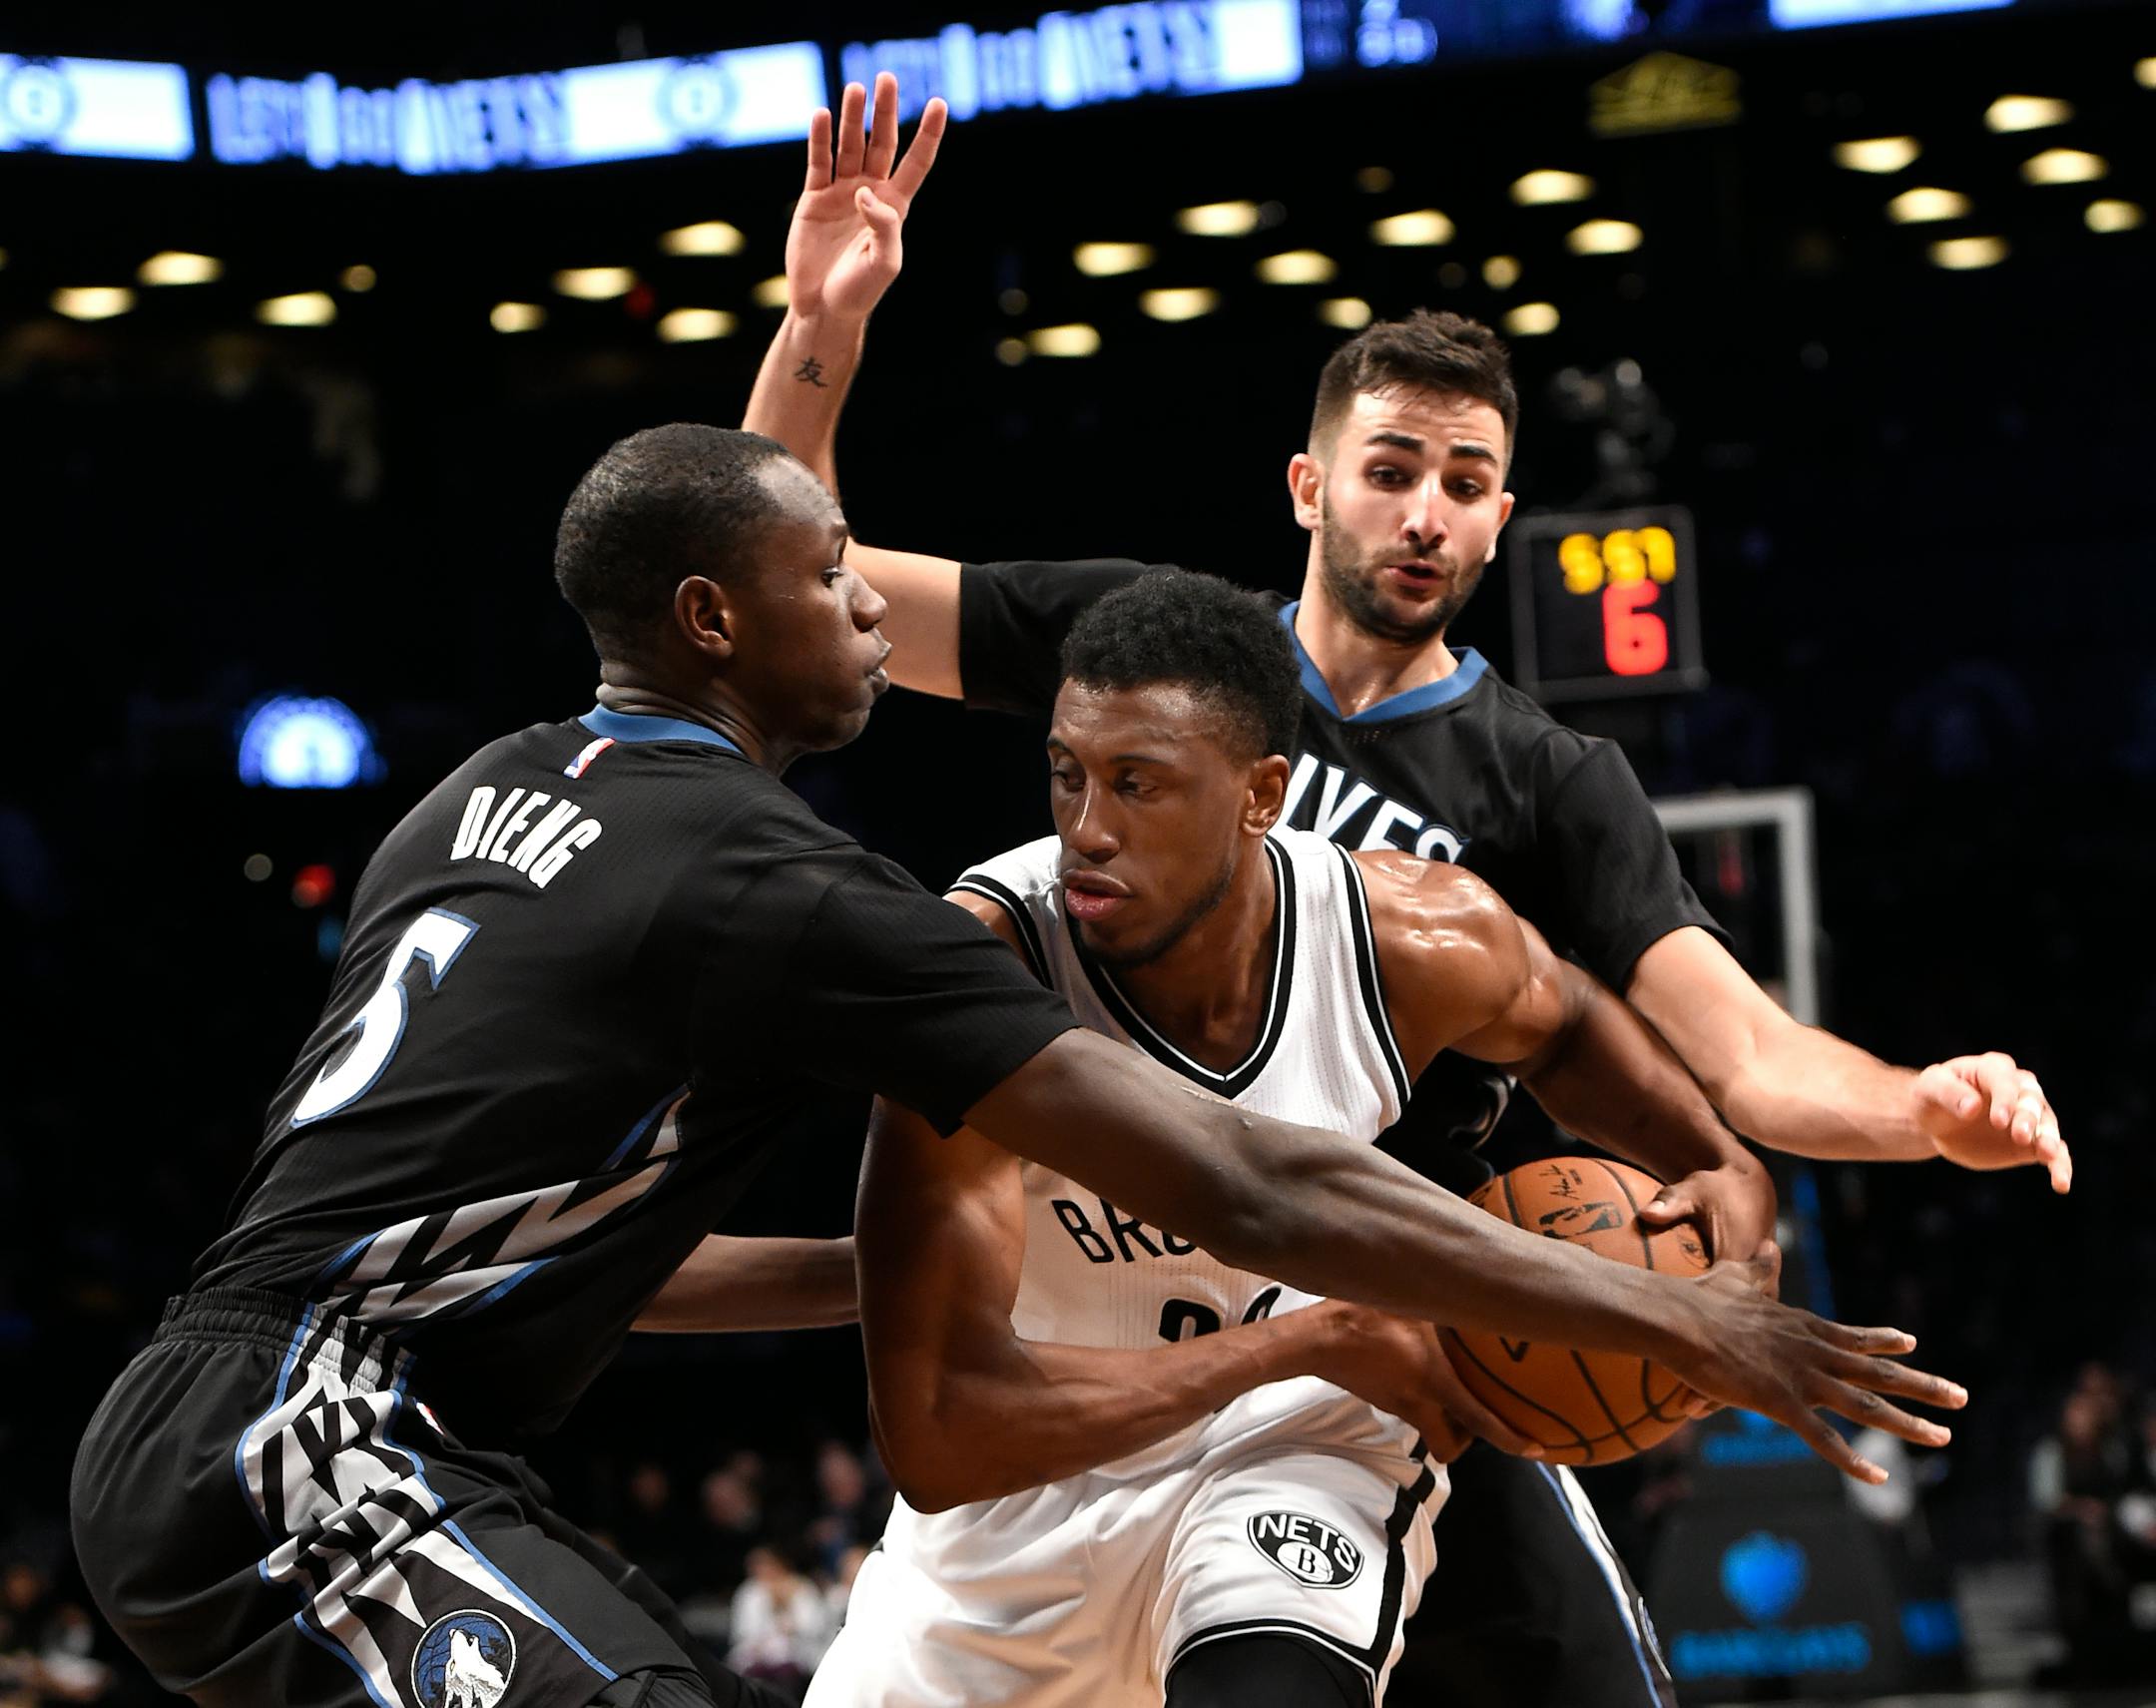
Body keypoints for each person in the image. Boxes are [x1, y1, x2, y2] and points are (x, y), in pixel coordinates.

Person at [69, 421, 1957, 1708]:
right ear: (718, 622)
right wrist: (1701, 1330)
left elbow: (549, 1250)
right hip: (313, 1436)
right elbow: (1258, 1187)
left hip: (260, 1410)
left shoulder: (479, 794)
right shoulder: (802, 889)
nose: (872, 602)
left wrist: (899, 1271)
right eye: (830, 574)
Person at [740, 75, 2064, 1708]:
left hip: (1398, 1320)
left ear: (1503, 514)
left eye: (1463, 478)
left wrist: (1924, 1107)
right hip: (1115, 1282)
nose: (1423, 510)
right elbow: (804, 583)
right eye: (1390, 469)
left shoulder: (1548, 780)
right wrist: (821, 327)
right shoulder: (1159, 655)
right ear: (1310, 487)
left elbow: (1741, 1058)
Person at [810, 570, 1845, 1707]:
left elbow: (1564, 1025)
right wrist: (1302, 1341)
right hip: (1022, 1502)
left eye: (1139, 784)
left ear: (1262, 794)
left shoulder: (1417, 937)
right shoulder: (980, 971)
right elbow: (943, 1435)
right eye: (1067, 774)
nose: (1087, 830)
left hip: (1296, 1452)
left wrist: (1719, 1165)